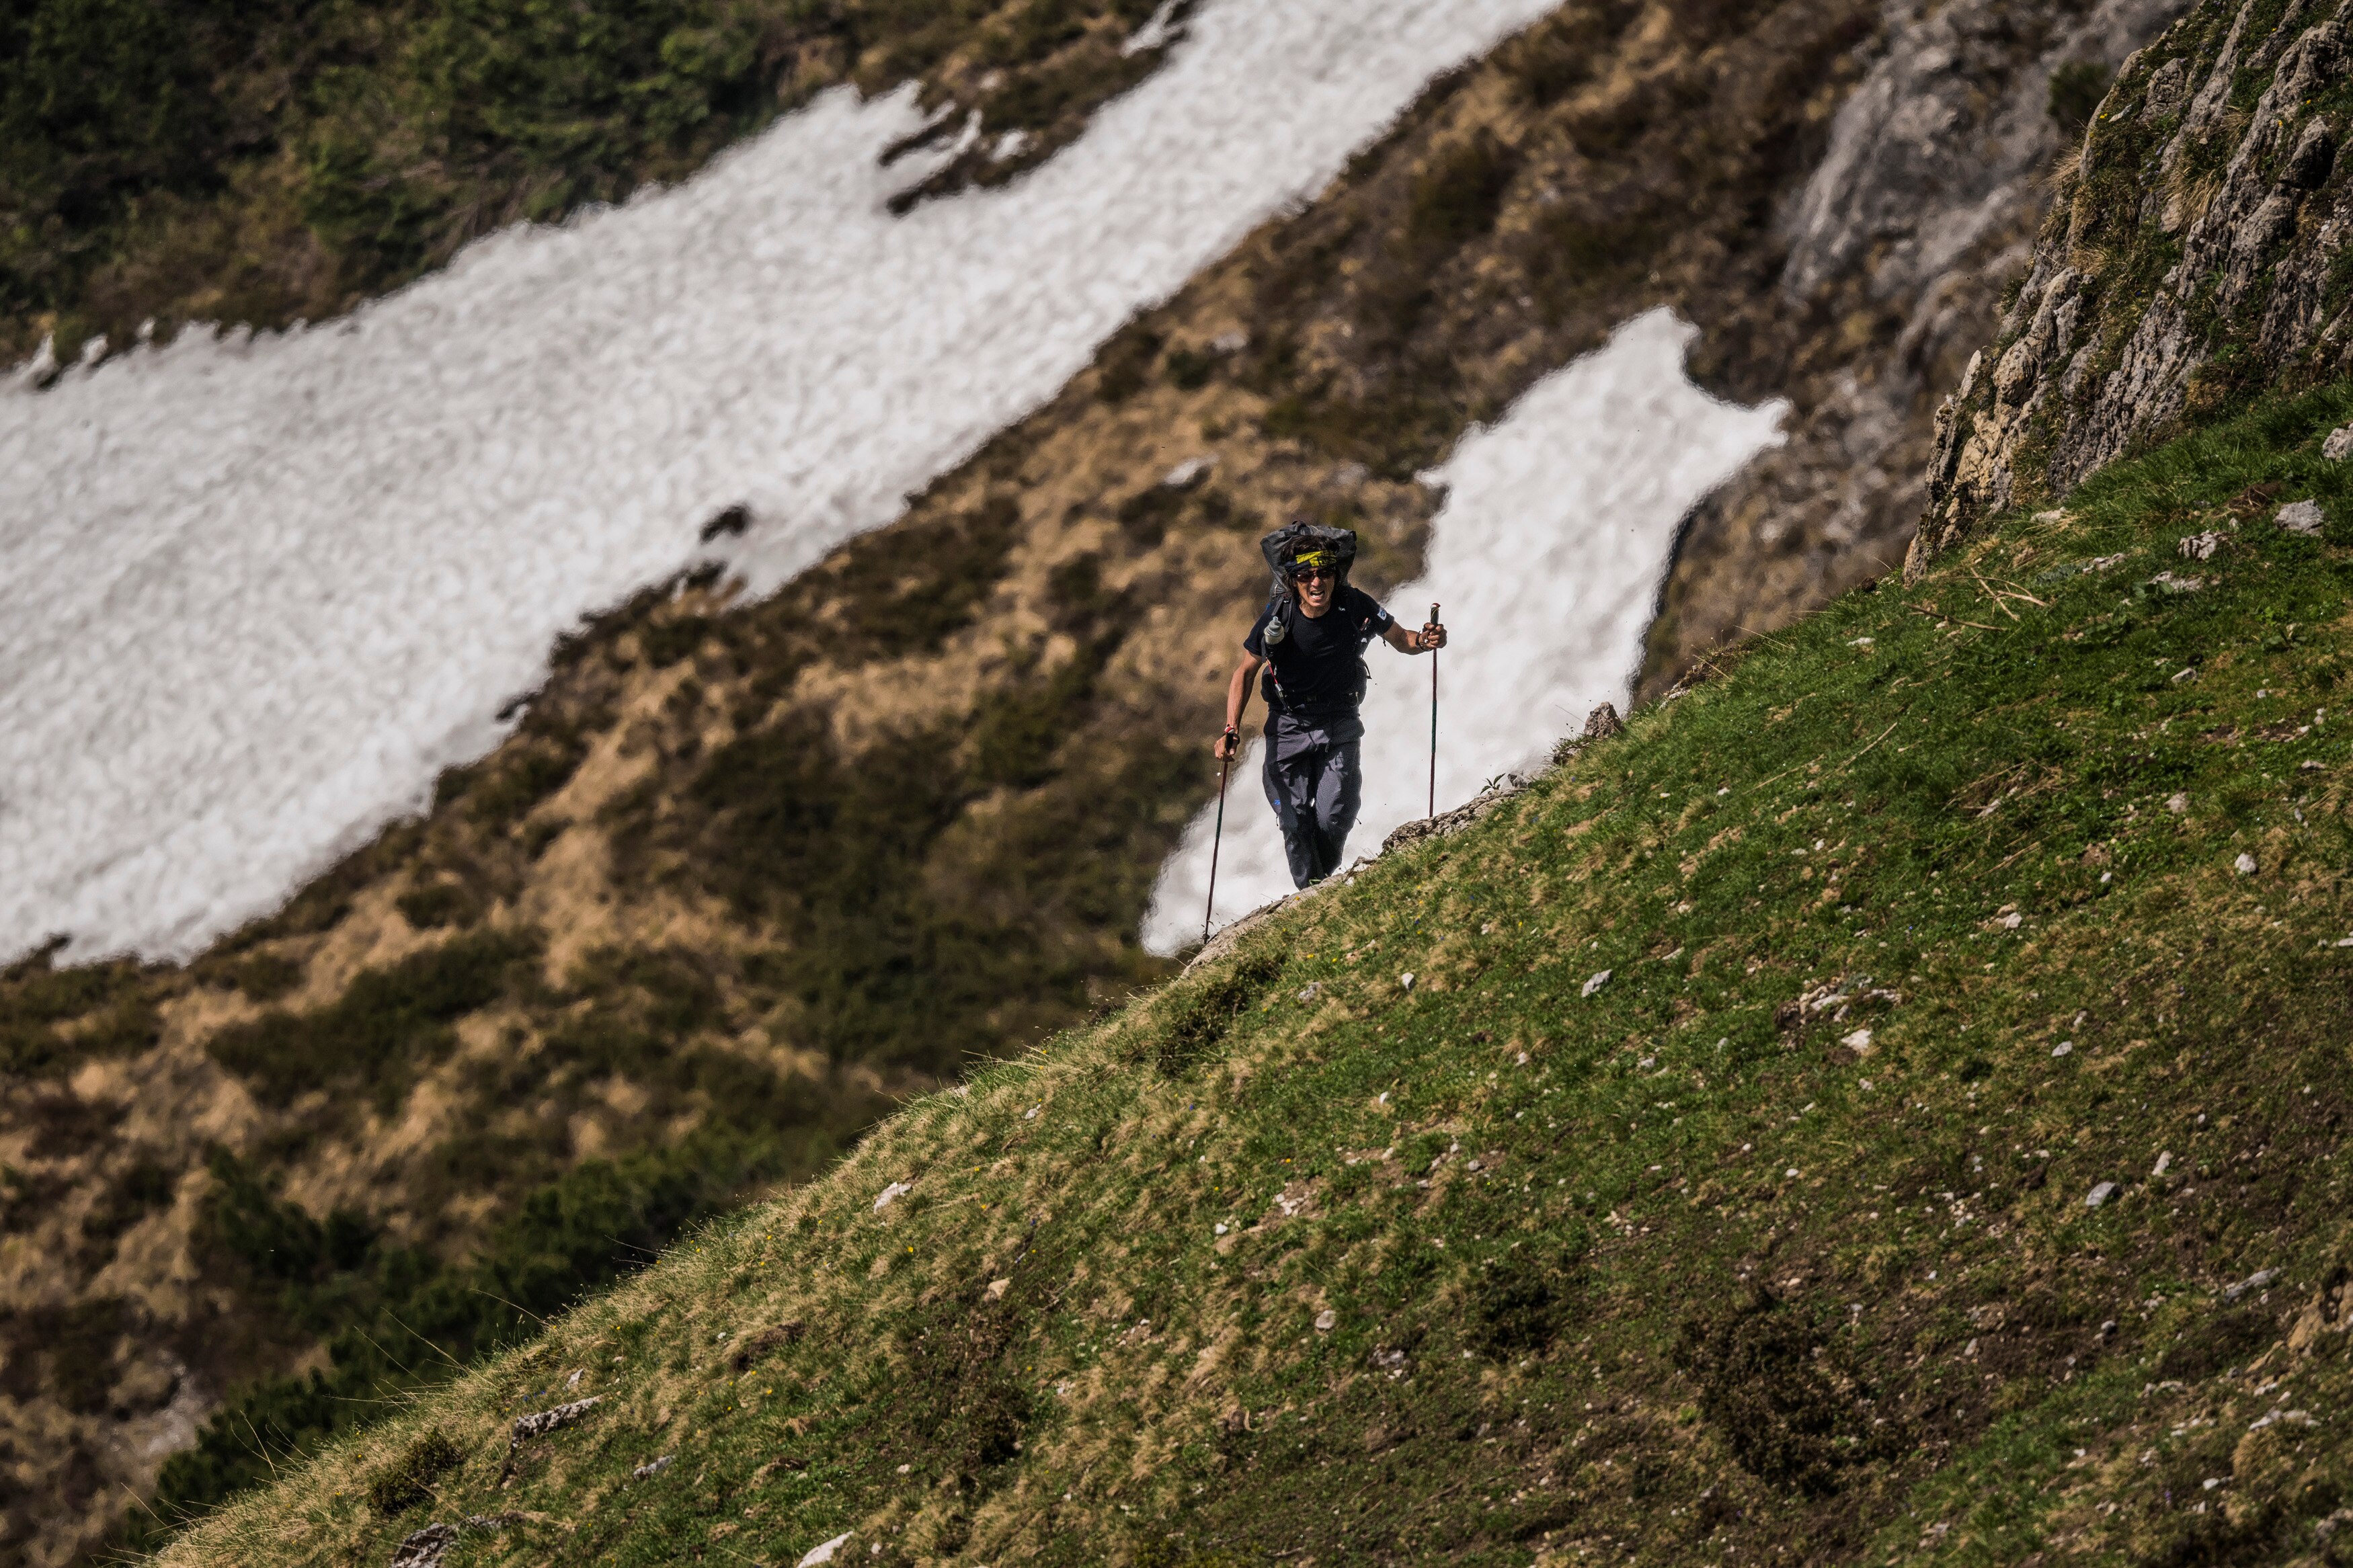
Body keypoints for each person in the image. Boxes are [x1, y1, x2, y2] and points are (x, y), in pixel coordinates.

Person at [1214, 523, 1446, 889]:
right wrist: (1231, 729)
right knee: (1295, 823)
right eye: (1306, 575)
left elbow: (1404, 640)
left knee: (1334, 817)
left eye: (1324, 573)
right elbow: (1244, 671)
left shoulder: (1354, 605)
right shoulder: (1280, 616)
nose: (1316, 583)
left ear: (1335, 575)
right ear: (1293, 581)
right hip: (1287, 727)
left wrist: (1427, 639)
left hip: (1340, 722)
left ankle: (1319, 890)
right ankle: (1313, 895)